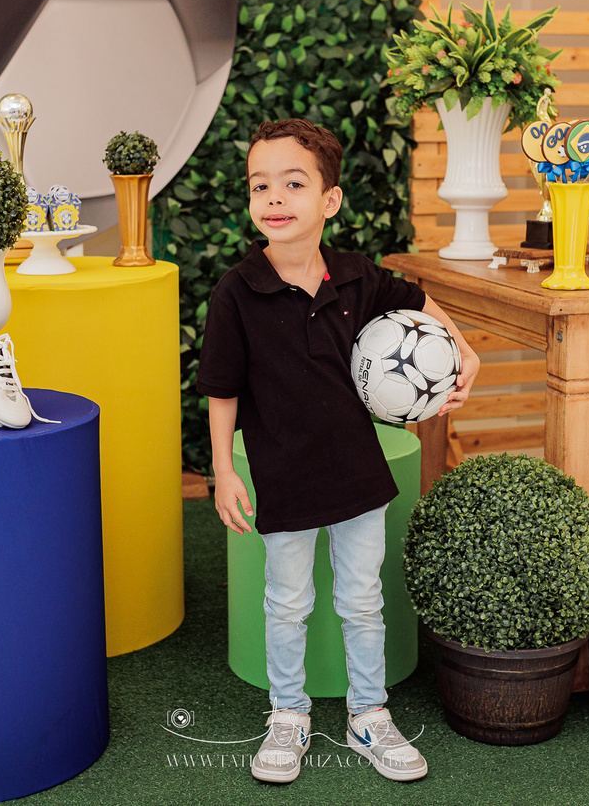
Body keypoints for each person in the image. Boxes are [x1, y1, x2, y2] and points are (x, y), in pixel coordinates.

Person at [196, 118, 480, 784]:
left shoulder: (357, 277)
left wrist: (463, 350)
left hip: (357, 477)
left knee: (361, 599)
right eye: (260, 185)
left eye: (293, 183)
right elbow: (221, 392)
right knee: (287, 602)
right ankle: (288, 714)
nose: (274, 197)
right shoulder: (237, 291)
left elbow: (420, 301)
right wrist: (222, 469)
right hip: (284, 480)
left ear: (330, 200)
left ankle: (368, 715)